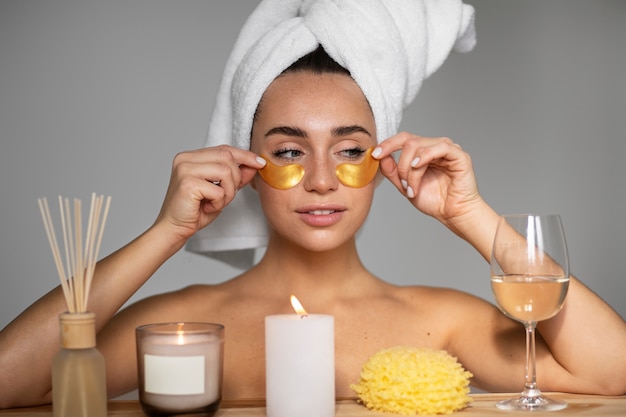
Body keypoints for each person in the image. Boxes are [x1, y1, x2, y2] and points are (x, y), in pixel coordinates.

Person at [1, 0, 626, 409]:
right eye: (290, 152)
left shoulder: (443, 322)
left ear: (381, 164)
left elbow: (611, 373)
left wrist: (471, 216)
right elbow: (11, 383)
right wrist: (166, 232)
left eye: (349, 149)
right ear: (247, 167)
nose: (322, 180)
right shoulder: (186, 329)